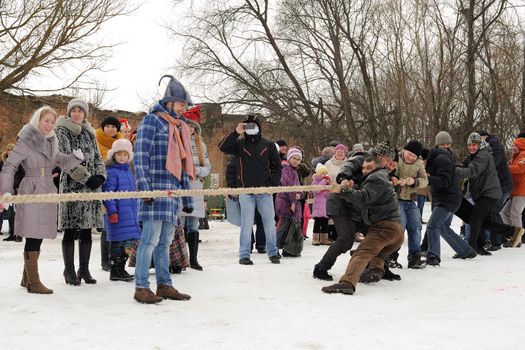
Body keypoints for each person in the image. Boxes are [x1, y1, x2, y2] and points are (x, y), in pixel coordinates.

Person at [0, 106, 83, 294]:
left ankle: (26, 277)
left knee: (38, 232)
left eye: (52, 122)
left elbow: (61, 161)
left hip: (47, 187)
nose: (49, 125)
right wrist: (5, 191)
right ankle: (34, 282)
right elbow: (10, 165)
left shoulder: (51, 141)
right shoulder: (26, 140)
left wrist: (75, 157)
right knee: (33, 233)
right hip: (31, 188)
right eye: (46, 121)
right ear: (38, 120)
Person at [133, 75, 193, 304]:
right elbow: (140, 155)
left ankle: (164, 284)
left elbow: (183, 161)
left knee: (165, 242)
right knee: (149, 239)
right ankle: (141, 287)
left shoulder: (178, 127)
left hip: (172, 192)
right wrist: (145, 188)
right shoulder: (152, 121)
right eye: (181, 103)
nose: (184, 107)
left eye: (185, 104)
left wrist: (185, 195)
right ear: (169, 101)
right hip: (154, 190)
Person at [321, 155, 404, 295]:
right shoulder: (383, 177)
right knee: (377, 252)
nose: (365, 170)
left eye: (369, 168)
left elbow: (363, 198)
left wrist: (342, 190)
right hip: (397, 232)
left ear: (377, 166)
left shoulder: (376, 178)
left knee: (361, 253)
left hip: (384, 228)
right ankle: (377, 270)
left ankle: (347, 282)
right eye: (364, 168)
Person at [313, 143, 395, 281]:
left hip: (358, 207)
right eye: (388, 159)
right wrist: (344, 179)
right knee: (346, 239)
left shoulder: (380, 169)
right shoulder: (363, 157)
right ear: (381, 156)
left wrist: (392, 177)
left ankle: (379, 268)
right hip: (341, 204)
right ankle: (321, 268)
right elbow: (347, 167)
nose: (389, 162)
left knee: (377, 236)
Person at [55, 98, 107, 286]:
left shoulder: (89, 132)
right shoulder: (62, 131)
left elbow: (98, 157)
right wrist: (87, 178)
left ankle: (83, 269)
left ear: (85, 113)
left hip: (91, 186)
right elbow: (66, 159)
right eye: (73, 110)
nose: (77, 113)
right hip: (72, 184)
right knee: (70, 228)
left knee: (86, 228)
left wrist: (100, 176)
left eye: (80, 110)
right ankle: (68, 269)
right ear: (69, 113)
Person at [219, 114, 282, 265]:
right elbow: (223, 147)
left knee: (269, 223)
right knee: (246, 224)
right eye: (247, 125)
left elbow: (277, 167)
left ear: (259, 127)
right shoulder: (239, 145)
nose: (251, 128)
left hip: (264, 192)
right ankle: (244, 255)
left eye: (253, 125)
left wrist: (272, 186)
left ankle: (273, 252)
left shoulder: (269, 145)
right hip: (245, 192)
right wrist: (236, 132)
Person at [455, 132, 524, 253]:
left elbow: (472, 171)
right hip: (483, 193)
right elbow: (464, 164)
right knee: (485, 222)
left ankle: (471, 247)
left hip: (490, 193)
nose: (471, 147)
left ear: (480, 144)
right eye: (469, 145)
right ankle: (513, 232)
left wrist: (454, 170)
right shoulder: (473, 155)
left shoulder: (483, 155)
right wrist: (457, 165)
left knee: (475, 218)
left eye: (474, 145)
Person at [425, 131, 476, 266]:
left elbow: (444, 181)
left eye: (448, 144)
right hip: (450, 198)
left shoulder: (443, 158)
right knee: (442, 227)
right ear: (437, 144)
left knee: (432, 226)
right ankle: (466, 250)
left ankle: (433, 256)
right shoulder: (441, 156)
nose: (446, 146)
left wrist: (427, 179)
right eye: (443, 144)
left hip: (447, 199)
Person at [102, 139, 140, 281]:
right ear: (114, 155)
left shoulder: (129, 173)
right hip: (118, 214)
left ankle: (121, 268)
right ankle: (115, 270)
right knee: (117, 243)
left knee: (127, 243)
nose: (122, 157)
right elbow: (108, 193)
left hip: (129, 214)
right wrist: (112, 211)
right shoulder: (111, 172)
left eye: (125, 154)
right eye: (119, 154)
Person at [180, 117, 211, 271]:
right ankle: (178, 258)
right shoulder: (176, 142)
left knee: (193, 224)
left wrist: (197, 170)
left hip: (195, 185)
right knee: (178, 223)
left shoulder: (201, 146)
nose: (190, 128)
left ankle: (193, 259)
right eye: (187, 125)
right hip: (180, 185)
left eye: (192, 126)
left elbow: (207, 167)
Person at [393, 141, 428, 269]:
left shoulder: (419, 163)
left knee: (415, 227)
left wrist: (414, 181)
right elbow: (389, 172)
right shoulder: (396, 158)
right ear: (405, 151)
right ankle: (391, 256)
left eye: (414, 156)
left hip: (410, 200)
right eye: (409, 154)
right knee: (399, 227)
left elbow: (425, 180)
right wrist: (396, 180)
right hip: (396, 199)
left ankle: (414, 258)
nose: (411, 157)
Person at [477, 130, 514, 250]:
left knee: (494, 211)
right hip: (494, 186)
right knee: (490, 211)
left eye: (479, 138)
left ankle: (497, 241)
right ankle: (498, 238)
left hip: (502, 185)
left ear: (485, 137)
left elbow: (493, 163)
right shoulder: (484, 148)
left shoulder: (495, 146)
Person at [96, 116, 124, 272]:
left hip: (120, 186)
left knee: (117, 223)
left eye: (114, 126)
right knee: (107, 223)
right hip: (104, 185)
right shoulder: (96, 140)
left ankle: (116, 259)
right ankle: (104, 260)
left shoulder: (122, 144)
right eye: (108, 126)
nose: (111, 129)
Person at [275, 147, 304, 255]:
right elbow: (287, 186)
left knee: (292, 226)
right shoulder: (285, 169)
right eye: (294, 158)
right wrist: (292, 201)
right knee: (283, 226)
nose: (296, 161)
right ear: (289, 158)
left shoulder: (295, 170)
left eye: (298, 159)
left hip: (294, 201)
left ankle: (289, 248)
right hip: (284, 201)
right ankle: (275, 247)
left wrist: (300, 194)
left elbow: (298, 187)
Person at [500, 135, 525, 243]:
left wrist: (504, 168)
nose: (513, 147)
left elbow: (519, 169)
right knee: (504, 213)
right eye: (513, 145)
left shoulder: (524, 155)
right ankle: (511, 234)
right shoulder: (514, 156)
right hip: (514, 190)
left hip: (521, 190)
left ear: (521, 146)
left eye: (515, 145)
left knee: (515, 213)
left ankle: (517, 239)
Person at [0, 143, 22, 242]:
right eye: (8, 149)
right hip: (5, 189)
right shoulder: (3, 161)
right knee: (8, 212)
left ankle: (15, 234)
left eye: (11, 149)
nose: (9, 151)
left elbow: (22, 175)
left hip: (15, 189)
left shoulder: (19, 162)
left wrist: (16, 185)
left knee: (14, 212)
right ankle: (12, 233)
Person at [311, 163, 331, 246]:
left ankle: (324, 239)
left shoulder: (326, 182)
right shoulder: (315, 181)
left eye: (325, 173)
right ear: (318, 173)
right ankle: (315, 238)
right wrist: (324, 181)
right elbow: (316, 190)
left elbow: (329, 193)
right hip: (318, 205)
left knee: (325, 223)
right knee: (318, 223)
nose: (324, 175)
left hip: (325, 206)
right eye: (322, 173)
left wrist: (329, 184)